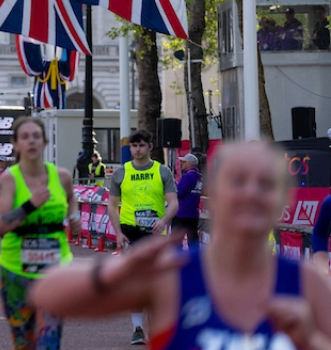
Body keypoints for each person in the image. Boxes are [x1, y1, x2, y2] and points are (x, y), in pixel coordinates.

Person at [31, 142, 331, 350]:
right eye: (238, 181)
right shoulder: (174, 273)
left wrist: (311, 341)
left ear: (282, 198)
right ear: (214, 194)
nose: (251, 192)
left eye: (265, 184)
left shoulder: (306, 283)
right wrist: (119, 270)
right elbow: (47, 294)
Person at [0, 116, 82, 350]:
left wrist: (74, 217)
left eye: (36, 136)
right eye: (25, 137)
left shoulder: (62, 176)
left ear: (45, 142)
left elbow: (71, 198)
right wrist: (30, 205)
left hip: (54, 271)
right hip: (16, 272)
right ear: (16, 144)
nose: (31, 141)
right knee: (24, 343)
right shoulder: (10, 180)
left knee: (49, 342)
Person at [107, 128, 178, 344]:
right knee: (135, 283)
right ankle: (137, 328)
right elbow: (111, 206)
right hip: (130, 232)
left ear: (150, 147)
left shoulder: (162, 171)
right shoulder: (121, 173)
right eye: (134, 146)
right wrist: (118, 233)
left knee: (157, 282)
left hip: (155, 233)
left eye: (141, 145)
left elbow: (174, 203)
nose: (137, 150)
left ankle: (156, 327)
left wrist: (164, 221)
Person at [172, 152, 203, 246]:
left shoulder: (188, 176)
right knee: (193, 239)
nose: (181, 163)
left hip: (183, 212)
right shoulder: (199, 177)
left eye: (184, 162)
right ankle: (194, 255)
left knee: (176, 240)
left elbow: (179, 192)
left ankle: (177, 255)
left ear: (189, 164)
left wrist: (174, 184)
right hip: (193, 213)